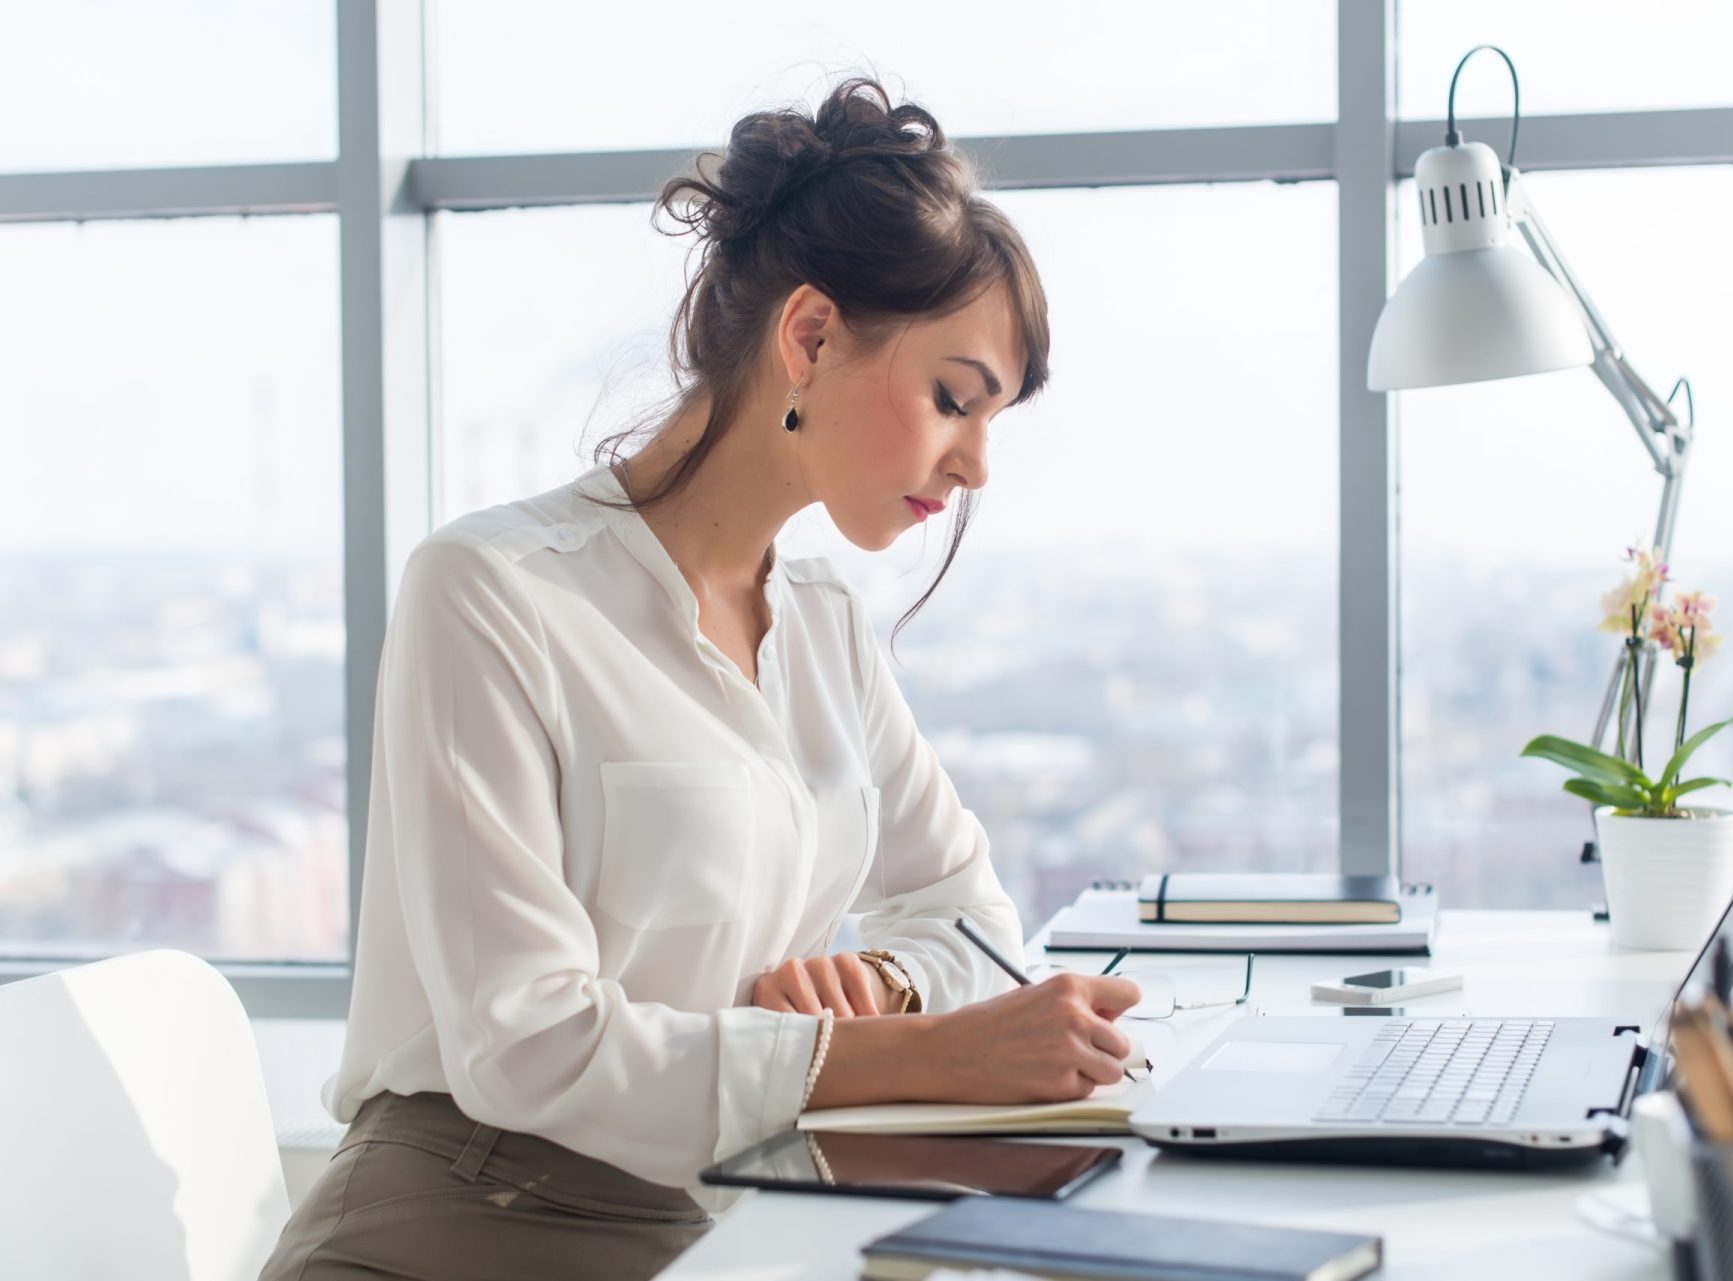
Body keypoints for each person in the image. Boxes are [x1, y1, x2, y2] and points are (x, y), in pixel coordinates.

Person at [260, 75, 1140, 1281]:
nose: (977, 464)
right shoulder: (492, 593)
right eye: (954, 398)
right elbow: (527, 1046)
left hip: (723, 1206)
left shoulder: (824, 628)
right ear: (812, 335)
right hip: (464, 1218)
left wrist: (874, 983)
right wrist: (926, 1056)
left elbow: (971, 921)